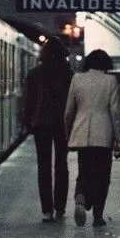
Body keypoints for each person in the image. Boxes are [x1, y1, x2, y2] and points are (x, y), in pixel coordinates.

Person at [64, 49, 120, 227]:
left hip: (82, 133)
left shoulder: (77, 79)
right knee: (102, 176)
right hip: (103, 135)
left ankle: (81, 198)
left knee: (84, 171)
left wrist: (69, 133)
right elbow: (114, 112)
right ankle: (98, 216)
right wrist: (118, 139)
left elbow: (69, 111)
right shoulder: (110, 80)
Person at [22, 36, 73, 223]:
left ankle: (47, 211)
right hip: (62, 123)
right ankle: (60, 206)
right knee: (62, 164)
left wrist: (28, 123)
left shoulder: (34, 73)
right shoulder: (68, 74)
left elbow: (28, 101)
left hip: (41, 123)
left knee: (43, 166)